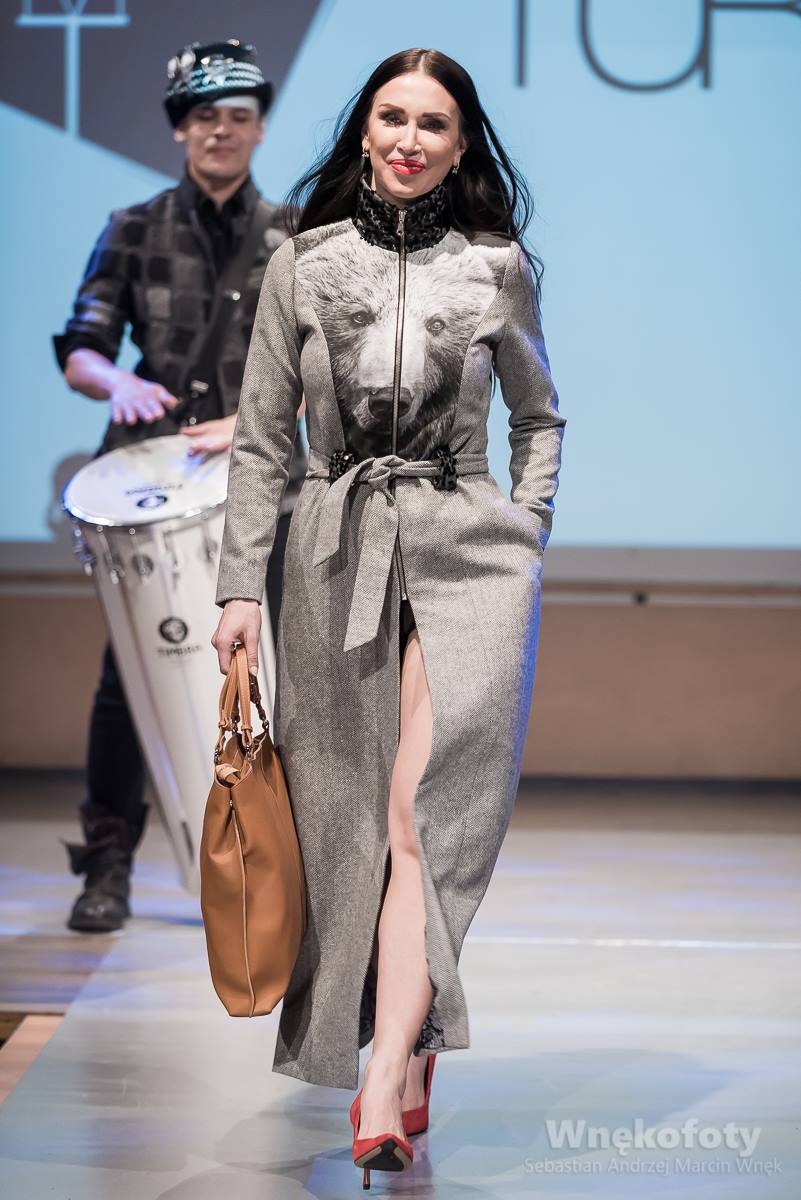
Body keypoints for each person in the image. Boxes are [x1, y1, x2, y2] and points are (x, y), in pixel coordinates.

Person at [212, 46, 566, 1187]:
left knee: (425, 815)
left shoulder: (497, 268)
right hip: (333, 553)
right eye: (393, 117)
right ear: (365, 132)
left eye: (434, 124)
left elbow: (539, 416)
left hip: (472, 558)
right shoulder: (303, 265)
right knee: (349, 827)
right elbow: (262, 441)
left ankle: (377, 1081)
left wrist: (526, 527)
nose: (411, 139)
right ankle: (405, 1047)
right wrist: (237, 587)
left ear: (461, 149)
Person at [53, 39, 308, 934]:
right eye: (205, 116)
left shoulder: (296, 233)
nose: (221, 131)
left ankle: (272, 864)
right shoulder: (133, 226)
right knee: (130, 676)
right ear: (180, 129)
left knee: (269, 672)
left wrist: (256, 420)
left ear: (260, 128)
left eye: (238, 116)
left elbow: (326, 362)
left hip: (262, 483)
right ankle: (108, 863)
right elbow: (81, 344)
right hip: (152, 489)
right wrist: (116, 382)